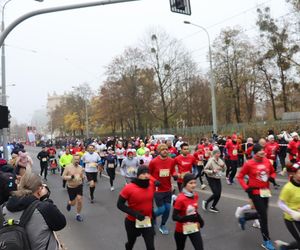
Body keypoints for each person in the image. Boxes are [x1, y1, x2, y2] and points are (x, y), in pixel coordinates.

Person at [1, 172, 66, 250]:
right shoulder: (44, 208)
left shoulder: (3, 208)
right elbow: (60, 224)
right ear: (39, 189)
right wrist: (45, 199)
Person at [237, 144, 276, 250]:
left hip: (266, 192)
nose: (263, 152)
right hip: (255, 192)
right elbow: (239, 176)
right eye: (260, 151)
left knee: (262, 214)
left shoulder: (267, 161)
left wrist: (272, 178)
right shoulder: (249, 163)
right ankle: (266, 241)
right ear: (255, 152)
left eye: (263, 150)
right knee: (263, 217)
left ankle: (244, 218)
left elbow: (272, 172)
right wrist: (246, 187)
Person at [117, 166, 155, 250]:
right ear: (138, 175)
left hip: (147, 220)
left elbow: (150, 200)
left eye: (148, 173)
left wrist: (152, 212)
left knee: (151, 247)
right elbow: (120, 204)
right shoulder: (129, 188)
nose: (146, 176)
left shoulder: (151, 185)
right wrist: (136, 214)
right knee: (131, 243)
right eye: (143, 173)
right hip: (132, 222)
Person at [149, 144, 177, 235]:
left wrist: (175, 175)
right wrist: (154, 181)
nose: (165, 151)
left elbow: (172, 170)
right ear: (158, 151)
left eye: (166, 149)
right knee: (161, 209)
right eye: (162, 149)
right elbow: (148, 174)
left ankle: (163, 225)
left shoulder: (171, 161)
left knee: (168, 209)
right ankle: (152, 217)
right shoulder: (153, 162)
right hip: (157, 190)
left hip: (168, 189)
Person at [172, 173, 204, 250]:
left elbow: (194, 211)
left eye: (195, 183)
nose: (193, 185)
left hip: (193, 226)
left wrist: (200, 220)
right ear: (185, 184)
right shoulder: (180, 199)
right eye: (191, 183)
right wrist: (188, 218)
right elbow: (174, 217)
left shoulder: (195, 195)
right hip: (181, 229)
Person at [275, 162, 300, 250]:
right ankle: (285, 247)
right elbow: (280, 203)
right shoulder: (288, 188)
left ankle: (285, 247)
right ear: (293, 174)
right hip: (291, 219)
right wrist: (292, 212)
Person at [202, 147, 226, 213]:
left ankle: (213, 206)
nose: (219, 154)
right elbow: (205, 169)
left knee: (219, 194)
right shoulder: (211, 161)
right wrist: (212, 171)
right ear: (214, 154)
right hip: (211, 178)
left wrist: (223, 167)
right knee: (216, 193)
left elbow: (224, 169)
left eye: (219, 153)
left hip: (218, 177)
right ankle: (206, 202)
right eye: (217, 153)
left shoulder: (220, 160)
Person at [62, 154, 85, 222]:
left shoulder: (80, 167)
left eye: (78, 159)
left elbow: (81, 175)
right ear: (72, 160)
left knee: (79, 200)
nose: (77, 160)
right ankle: (69, 203)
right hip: (71, 187)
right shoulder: (68, 167)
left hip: (79, 186)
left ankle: (78, 215)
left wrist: (83, 177)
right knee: (73, 203)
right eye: (75, 159)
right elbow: (63, 176)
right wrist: (70, 177)